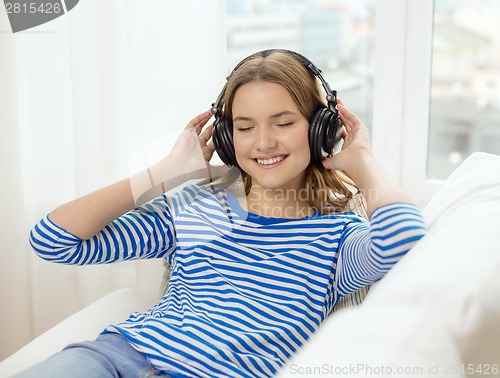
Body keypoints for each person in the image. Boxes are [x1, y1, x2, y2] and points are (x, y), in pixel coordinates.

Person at [21, 49, 427, 378]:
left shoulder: (339, 236)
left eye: (283, 122)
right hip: (114, 357)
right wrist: (164, 175)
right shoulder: (194, 208)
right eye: (245, 127)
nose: (263, 142)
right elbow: (53, 240)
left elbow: (404, 237)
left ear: (321, 128)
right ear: (228, 140)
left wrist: (362, 159)